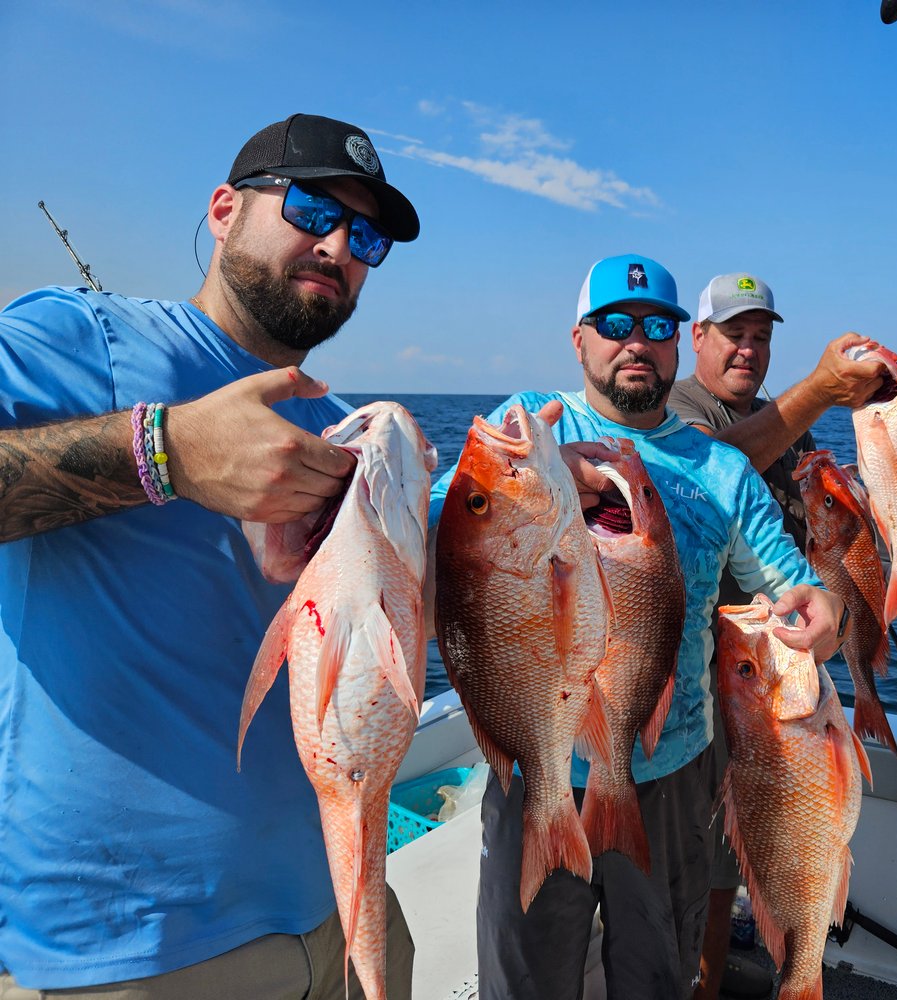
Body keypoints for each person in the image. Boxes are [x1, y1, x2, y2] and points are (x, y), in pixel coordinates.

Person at [0, 114, 421, 999]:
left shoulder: (343, 429)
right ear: (225, 209)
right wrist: (167, 452)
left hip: (350, 913)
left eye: (367, 236)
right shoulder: (85, 339)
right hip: (139, 952)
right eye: (311, 208)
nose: (339, 244)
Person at [428, 254, 844, 1000]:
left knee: (656, 981)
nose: (636, 341)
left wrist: (826, 613)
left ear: (678, 344)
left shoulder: (720, 469)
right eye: (613, 324)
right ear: (578, 339)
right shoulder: (527, 425)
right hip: (537, 762)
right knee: (528, 982)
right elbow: (436, 520)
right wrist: (544, 469)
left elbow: (793, 587)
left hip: (671, 772)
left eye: (657, 326)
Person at [668, 272, 888, 1000]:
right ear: (697, 338)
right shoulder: (678, 410)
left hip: (779, 680)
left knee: (756, 847)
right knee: (706, 860)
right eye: (733, 334)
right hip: (715, 683)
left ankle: (782, 968)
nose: (748, 350)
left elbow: (816, 546)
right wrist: (819, 390)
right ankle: (703, 986)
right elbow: (707, 471)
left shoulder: (779, 421)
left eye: (761, 337)